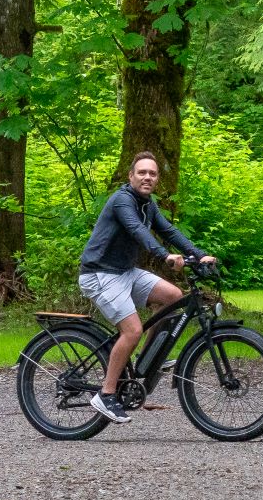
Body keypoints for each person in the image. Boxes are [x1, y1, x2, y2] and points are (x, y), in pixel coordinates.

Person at [78, 151, 217, 423]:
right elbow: (137, 231)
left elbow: (169, 231)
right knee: (132, 330)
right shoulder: (122, 201)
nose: (147, 177)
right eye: (142, 172)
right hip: (100, 274)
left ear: (157, 180)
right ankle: (105, 395)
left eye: (152, 174)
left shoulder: (148, 204)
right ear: (131, 176)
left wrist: (199, 255)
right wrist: (164, 256)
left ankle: (148, 357)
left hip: (124, 272)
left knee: (173, 296)